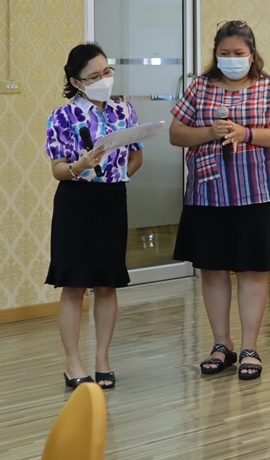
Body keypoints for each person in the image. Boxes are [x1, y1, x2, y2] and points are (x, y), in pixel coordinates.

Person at [169, 20, 270, 381]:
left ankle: (249, 348)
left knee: (253, 272)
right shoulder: (200, 87)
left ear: (251, 55)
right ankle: (221, 344)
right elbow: (176, 134)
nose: (231, 58)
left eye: (238, 53)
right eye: (224, 53)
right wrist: (208, 132)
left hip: (257, 194)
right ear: (215, 55)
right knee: (212, 270)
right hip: (208, 195)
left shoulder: (268, 87)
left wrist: (248, 133)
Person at [45, 43, 144, 390]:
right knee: (74, 285)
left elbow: (136, 157)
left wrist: (118, 175)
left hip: (112, 201)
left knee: (107, 283)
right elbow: (58, 169)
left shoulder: (124, 111)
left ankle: (103, 359)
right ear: (76, 81)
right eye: (93, 76)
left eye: (106, 71)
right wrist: (80, 166)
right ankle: (73, 363)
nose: (104, 79)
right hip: (76, 202)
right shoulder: (62, 116)